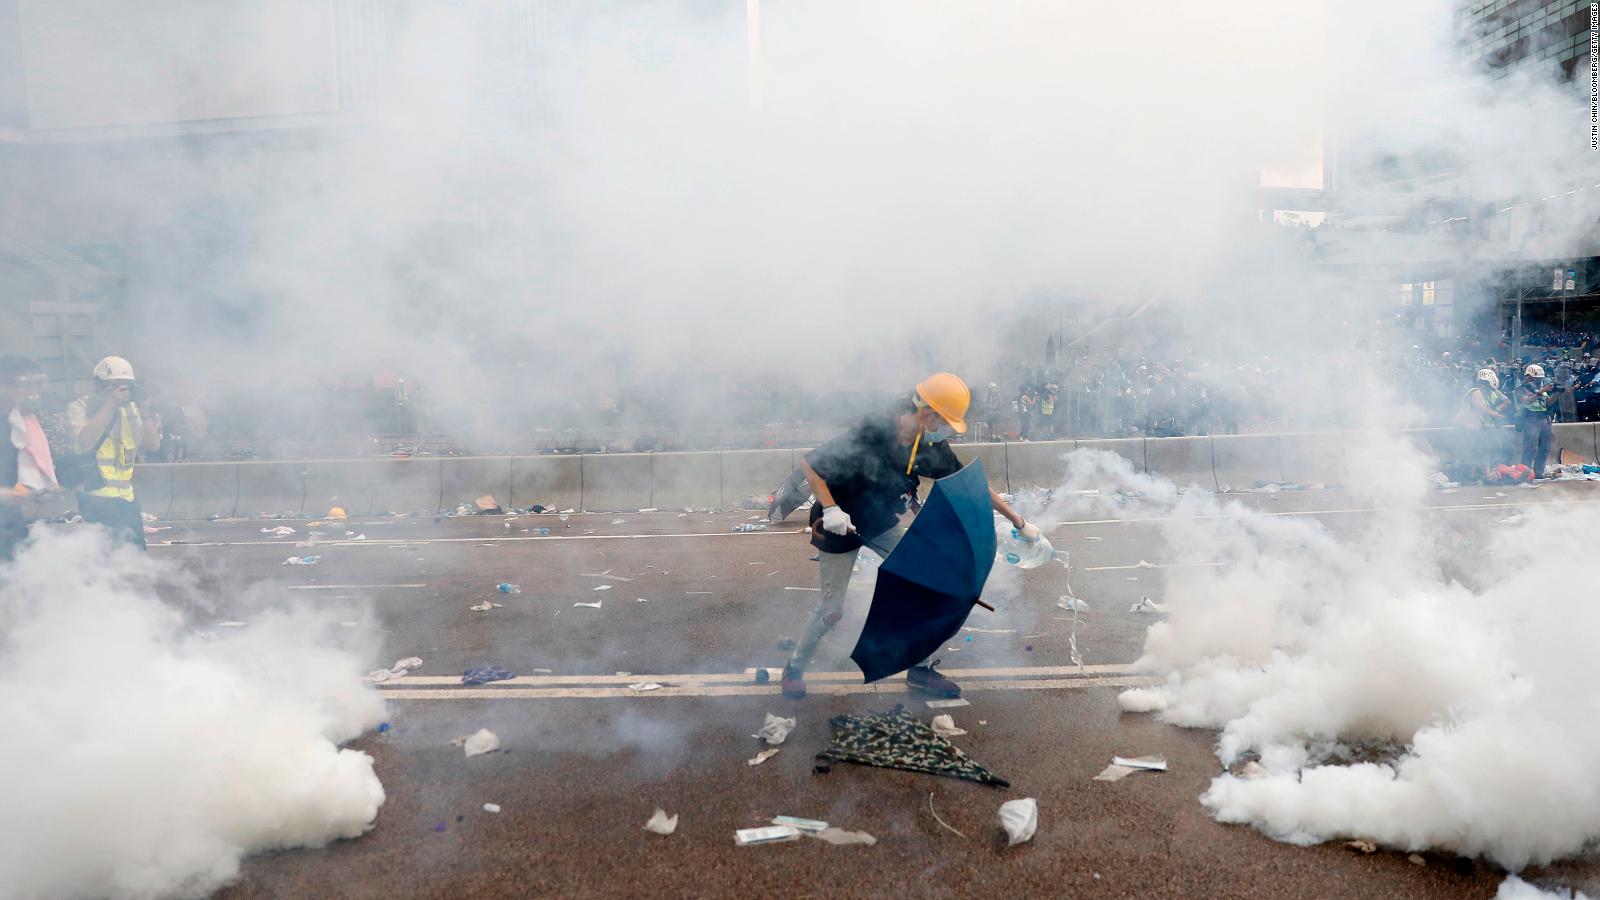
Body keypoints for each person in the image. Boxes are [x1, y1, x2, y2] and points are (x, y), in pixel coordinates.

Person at [780, 373, 1040, 700]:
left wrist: (1017, 521)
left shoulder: (930, 445)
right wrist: (831, 509)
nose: (945, 429)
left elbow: (971, 486)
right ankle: (794, 668)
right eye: (944, 420)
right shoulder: (873, 431)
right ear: (928, 412)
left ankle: (920, 670)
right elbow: (811, 464)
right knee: (832, 610)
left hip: (880, 523)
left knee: (925, 585)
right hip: (839, 524)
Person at [66, 356, 161, 550]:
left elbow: (153, 445)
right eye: (116, 385)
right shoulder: (80, 407)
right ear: (99, 385)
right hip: (95, 495)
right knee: (107, 553)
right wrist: (109, 405)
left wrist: (144, 410)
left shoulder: (133, 409)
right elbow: (85, 440)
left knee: (135, 551)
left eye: (127, 386)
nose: (122, 391)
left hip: (126, 495)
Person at [1, 356, 59, 560]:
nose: (35, 392)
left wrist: (28, 492)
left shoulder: (23, 422)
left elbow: (20, 476)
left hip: (10, 522)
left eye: (39, 383)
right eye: (26, 385)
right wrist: (6, 494)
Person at [1515, 363, 1555, 480]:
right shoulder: (1520, 389)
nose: (1539, 381)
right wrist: (1539, 392)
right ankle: (1525, 472)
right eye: (1536, 379)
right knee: (1530, 447)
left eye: (1540, 379)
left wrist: (1557, 392)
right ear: (1529, 377)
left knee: (1545, 447)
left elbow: (1548, 403)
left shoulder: (1540, 389)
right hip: (1530, 418)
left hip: (1544, 419)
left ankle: (1538, 472)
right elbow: (1527, 401)